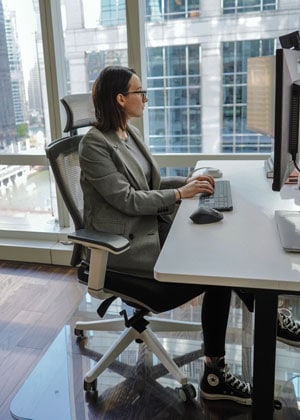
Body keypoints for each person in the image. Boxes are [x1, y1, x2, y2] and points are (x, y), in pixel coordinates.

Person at [78, 65, 300, 406]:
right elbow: (127, 199)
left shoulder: (128, 132)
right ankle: (217, 373)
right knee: (218, 274)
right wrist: (181, 194)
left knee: (221, 249)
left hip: (153, 228)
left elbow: (148, 187)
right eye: (139, 92)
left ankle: (267, 319)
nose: (146, 98)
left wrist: (189, 184)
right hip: (124, 247)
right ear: (121, 99)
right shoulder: (94, 145)